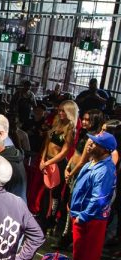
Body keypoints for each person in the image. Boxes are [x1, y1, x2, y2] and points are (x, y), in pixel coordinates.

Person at [53, 132, 117, 260]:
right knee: (82, 255)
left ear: (105, 149)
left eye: (95, 143)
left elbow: (100, 198)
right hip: (83, 215)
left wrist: (83, 216)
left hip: (90, 220)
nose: (90, 144)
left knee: (84, 257)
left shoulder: (104, 170)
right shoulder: (94, 162)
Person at [39, 100, 78, 236]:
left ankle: (50, 221)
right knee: (45, 193)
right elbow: (47, 143)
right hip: (48, 161)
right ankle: (43, 219)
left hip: (57, 164)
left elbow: (64, 152)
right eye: (59, 110)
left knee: (54, 194)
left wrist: (48, 163)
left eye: (63, 111)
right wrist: (43, 159)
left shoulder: (71, 128)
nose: (60, 113)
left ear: (70, 112)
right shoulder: (56, 122)